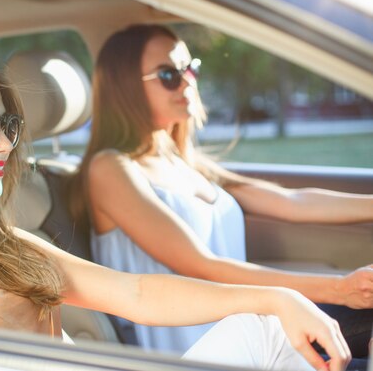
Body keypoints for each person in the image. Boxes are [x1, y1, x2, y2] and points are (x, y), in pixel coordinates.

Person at [0, 52, 351, 371]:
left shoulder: (6, 245)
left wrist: (281, 296)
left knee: (270, 326)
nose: (4, 147)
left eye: (9, 127)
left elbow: (137, 293)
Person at [70, 24, 373, 359]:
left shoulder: (181, 161)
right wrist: (340, 290)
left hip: (252, 329)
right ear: (124, 86)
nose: (187, 82)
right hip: (203, 352)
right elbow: (204, 266)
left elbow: (293, 201)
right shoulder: (110, 169)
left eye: (190, 69)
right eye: (169, 74)